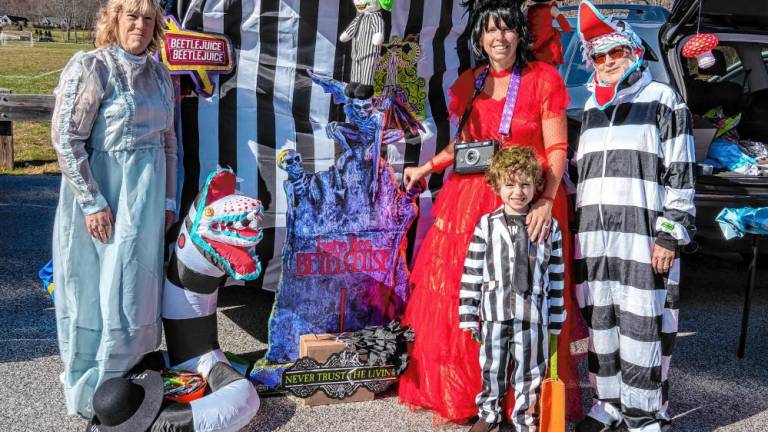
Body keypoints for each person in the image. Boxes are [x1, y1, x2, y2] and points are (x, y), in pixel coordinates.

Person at [398, 0, 585, 424]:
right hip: (470, 199)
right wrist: (426, 167)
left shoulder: (543, 79)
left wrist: (543, 200)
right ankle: (475, 394)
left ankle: (520, 401)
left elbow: (557, 148)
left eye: (507, 30)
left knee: (524, 298)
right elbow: (465, 147)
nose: (499, 37)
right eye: (490, 31)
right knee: (469, 294)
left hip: (525, 199)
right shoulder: (472, 81)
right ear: (480, 39)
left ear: (519, 35)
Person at [572, 2, 696, 432]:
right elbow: (580, 175)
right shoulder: (589, 107)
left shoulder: (663, 99)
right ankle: (608, 404)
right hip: (593, 238)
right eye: (599, 56)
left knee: (644, 325)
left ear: (633, 52)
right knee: (601, 320)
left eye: (615, 53)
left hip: (642, 236)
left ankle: (644, 417)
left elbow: (681, 172)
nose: (607, 63)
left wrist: (669, 234)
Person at [51, 0, 177, 417]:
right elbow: (66, 140)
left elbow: (169, 144)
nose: (139, 25)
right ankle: (96, 388)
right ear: (114, 19)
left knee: (135, 289)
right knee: (97, 288)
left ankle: (130, 383)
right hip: (105, 196)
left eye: (147, 17)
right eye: (131, 15)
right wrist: (92, 202)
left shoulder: (161, 75)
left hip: (147, 199)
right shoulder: (93, 68)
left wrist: (168, 200)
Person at [459, 147, 567, 432]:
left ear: (536, 187)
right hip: (494, 312)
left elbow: (556, 274)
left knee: (529, 372)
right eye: (509, 184)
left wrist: (556, 316)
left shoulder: (549, 227)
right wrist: (468, 312)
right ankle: (488, 413)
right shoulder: (486, 225)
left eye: (525, 184)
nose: (517, 192)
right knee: (492, 367)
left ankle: (523, 418)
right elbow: (472, 269)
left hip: (533, 316)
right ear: (496, 185)